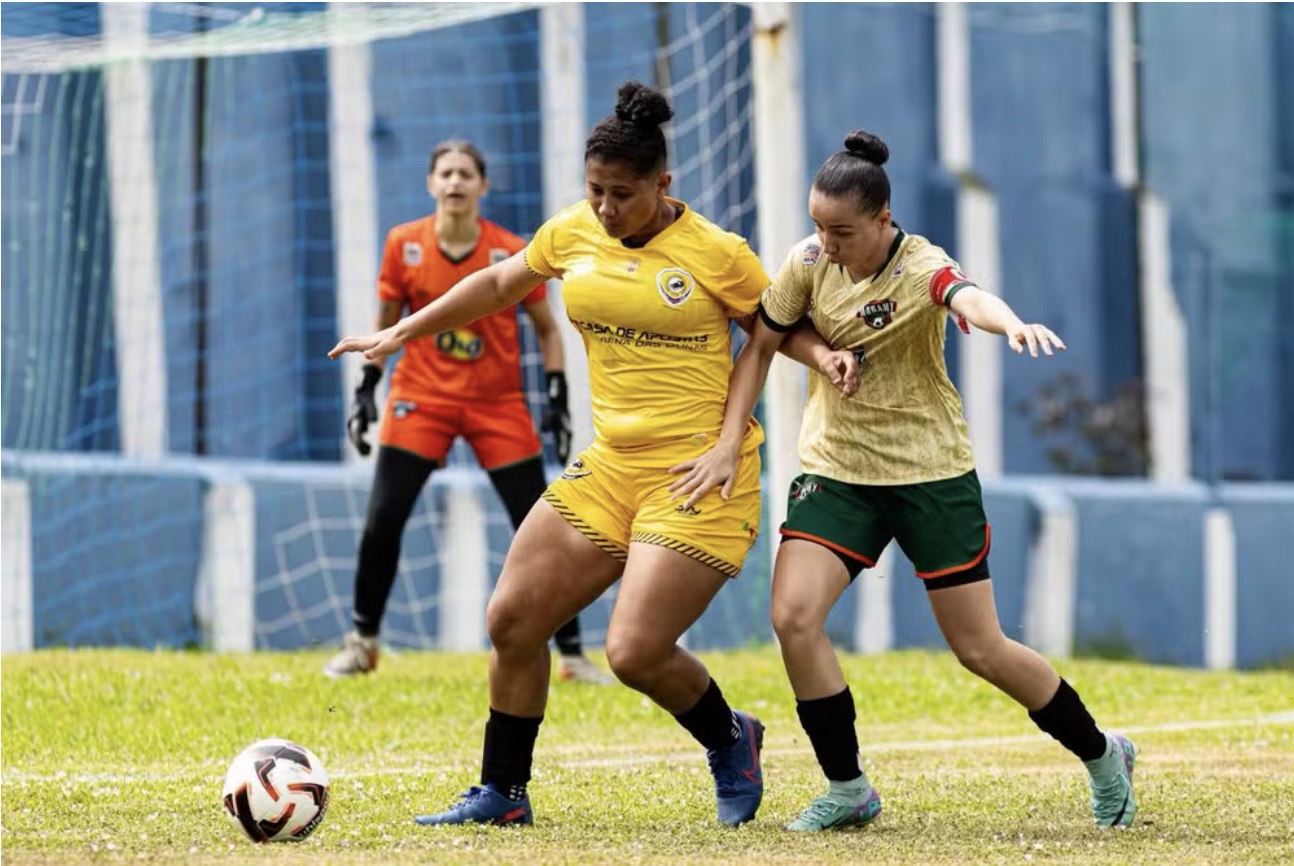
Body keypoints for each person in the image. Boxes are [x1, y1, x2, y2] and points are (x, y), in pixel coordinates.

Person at [330, 82, 855, 827]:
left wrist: (824, 358)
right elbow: (498, 283)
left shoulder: (715, 252)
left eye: (622, 194)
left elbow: (773, 327)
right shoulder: (573, 231)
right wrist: (399, 334)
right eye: (595, 191)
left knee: (634, 651)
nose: (606, 209)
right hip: (611, 466)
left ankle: (732, 736)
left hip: (698, 474)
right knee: (512, 618)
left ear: (662, 185)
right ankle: (502, 793)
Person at [671, 130, 1138, 832]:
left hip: (929, 474)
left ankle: (1105, 757)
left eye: (842, 231)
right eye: (818, 226)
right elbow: (764, 341)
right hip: (839, 470)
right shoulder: (807, 260)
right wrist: (738, 432)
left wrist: (1011, 324)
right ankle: (848, 786)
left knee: (980, 649)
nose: (826, 243)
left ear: (883, 221)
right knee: (794, 616)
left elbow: (967, 296)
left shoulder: (921, 264)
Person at [325, 140, 612, 686]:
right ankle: (362, 643)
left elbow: (548, 330)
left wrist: (555, 392)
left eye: (465, 174)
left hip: (496, 402)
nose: (455, 183)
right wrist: (367, 386)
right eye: (445, 173)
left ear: (483, 186)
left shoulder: (509, 250)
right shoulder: (402, 244)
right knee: (384, 516)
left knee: (542, 524)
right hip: (423, 396)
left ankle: (572, 653)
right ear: (431, 184)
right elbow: (387, 322)